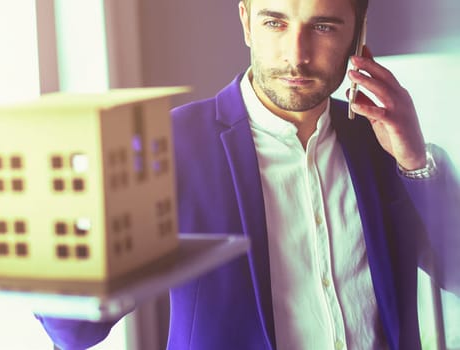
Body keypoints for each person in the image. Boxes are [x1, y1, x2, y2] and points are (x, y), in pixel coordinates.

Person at [37, 0, 460, 348]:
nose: (296, 54)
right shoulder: (169, 145)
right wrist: (76, 217)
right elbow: (73, 330)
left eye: (324, 27)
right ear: (246, 22)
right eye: (275, 22)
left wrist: (413, 160)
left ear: (358, 33)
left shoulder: (382, 139)